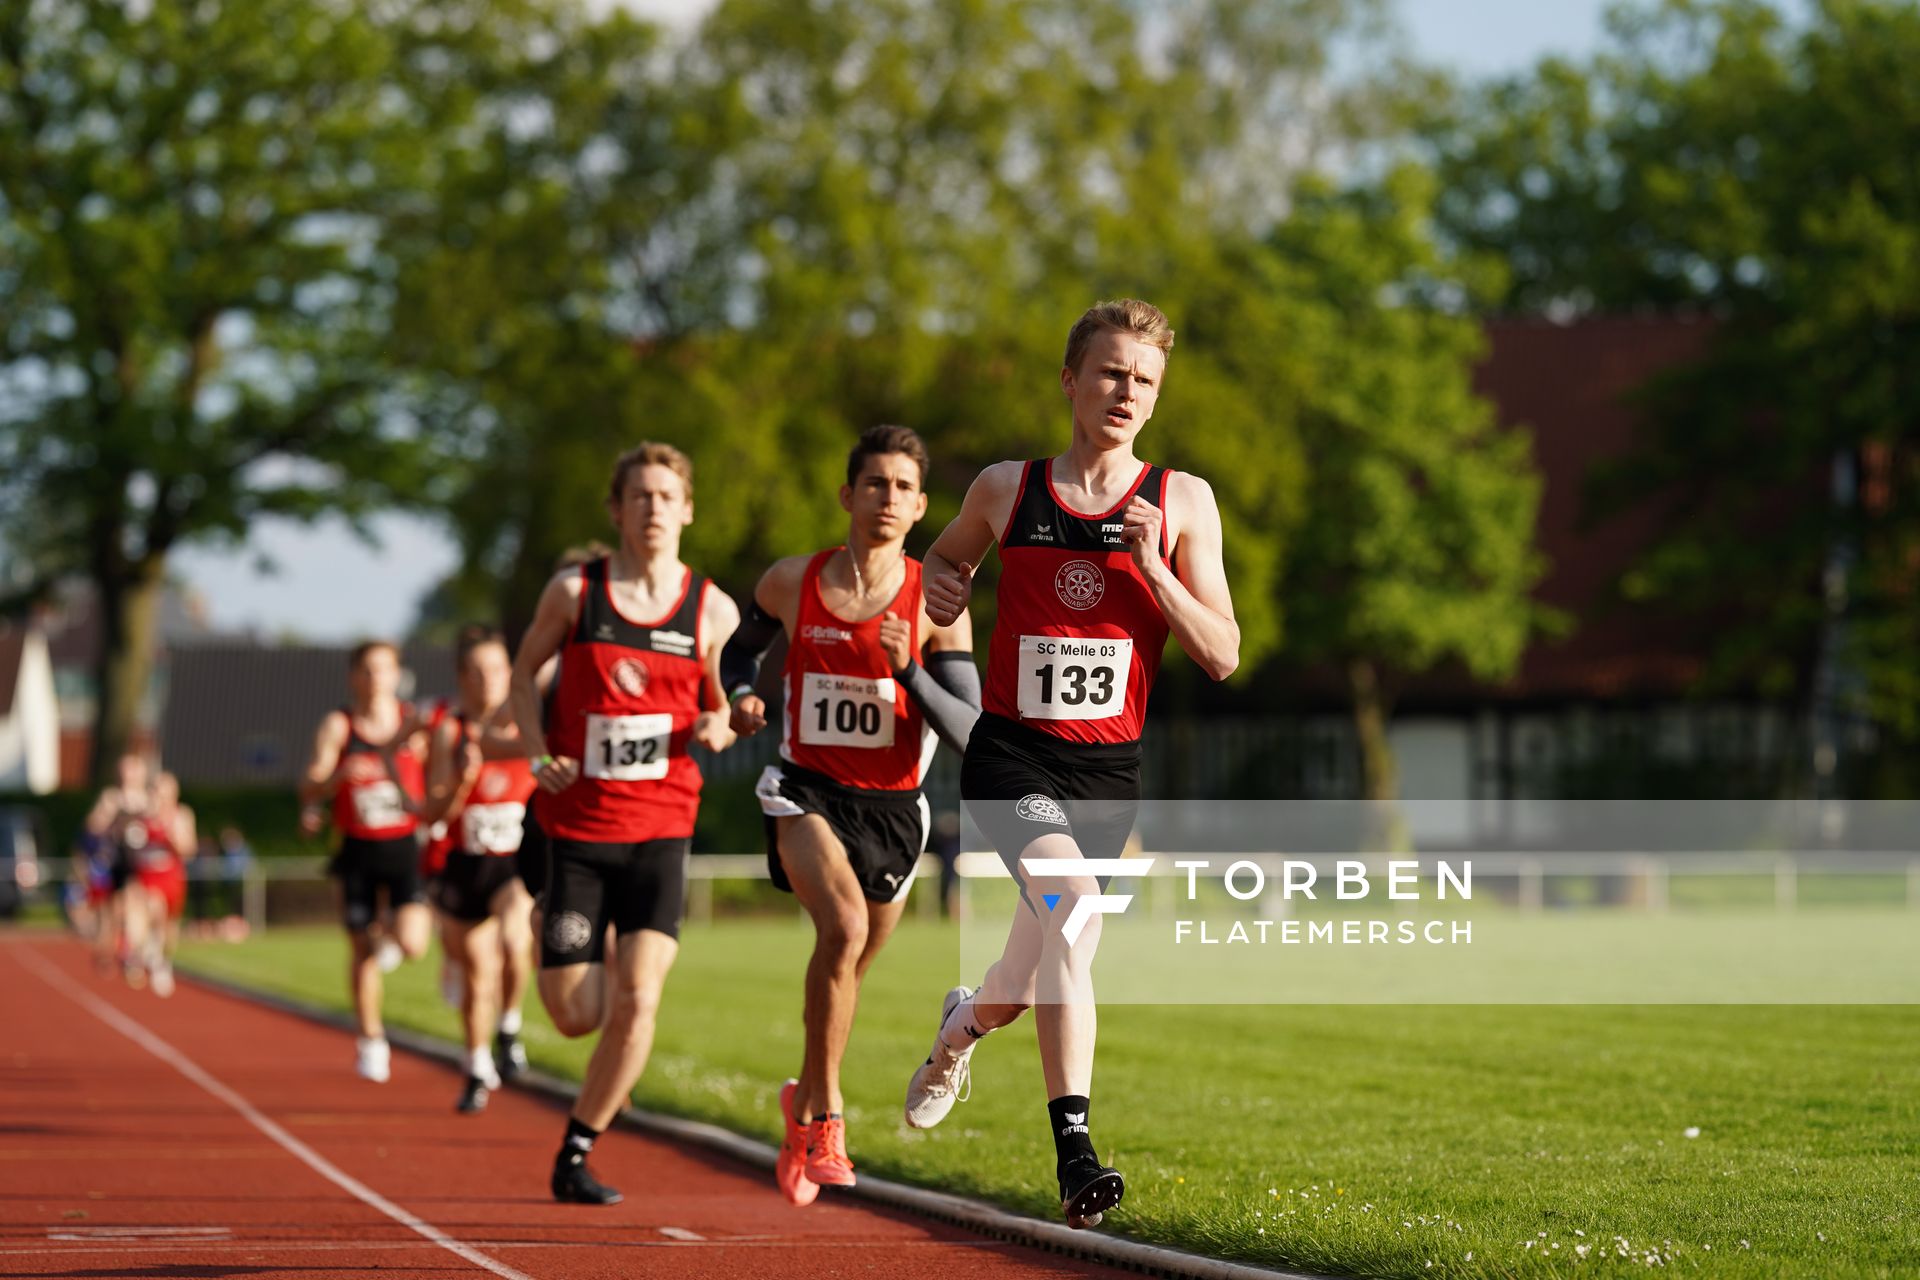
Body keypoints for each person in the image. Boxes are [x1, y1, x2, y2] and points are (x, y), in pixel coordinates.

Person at [899, 300, 1239, 1230]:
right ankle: (1075, 1151)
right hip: (1011, 758)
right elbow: (942, 571)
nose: (1127, 393)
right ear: (1071, 380)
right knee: (1072, 914)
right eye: (1111, 374)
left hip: (1107, 778)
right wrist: (941, 583)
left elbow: (1222, 653)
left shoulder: (1183, 503)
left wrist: (1157, 572)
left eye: (1145, 381)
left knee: (1038, 963)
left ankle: (959, 1032)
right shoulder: (1009, 489)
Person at [720, 425, 981, 1206]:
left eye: (904, 487)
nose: (888, 499)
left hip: (895, 810)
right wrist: (741, 696)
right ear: (848, 495)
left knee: (847, 970)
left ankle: (799, 1107)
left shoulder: (935, 605)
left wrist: (907, 669)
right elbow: (738, 651)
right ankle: (829, 1118)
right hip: (804, 790)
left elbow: (968, 726)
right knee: (842, 934)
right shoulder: (790, 581)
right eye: (875, 484)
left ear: (922, 505)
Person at [509, 443, 738, 1205]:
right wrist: (540, 756)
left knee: (640, 997)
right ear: (616, 510)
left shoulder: (711, 608)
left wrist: (721, 727)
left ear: (688, 509)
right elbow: (521, 675)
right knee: (576, 1015)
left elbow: (721, 708)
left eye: (666, 496)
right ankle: (571, 943)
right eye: (638, 497)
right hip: (576, 833)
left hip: (661, 830)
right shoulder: (576, 592)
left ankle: (576, 1151)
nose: (652, 509)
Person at [298, 641, 433, 1083]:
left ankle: (392, 939)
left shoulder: (412, 723)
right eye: (368, 671)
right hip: (356, 849)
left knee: (413, 944)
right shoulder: (339, 726)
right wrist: (337, 777)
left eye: (385, 670)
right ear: (354, 677)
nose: (376, 679)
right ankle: (371, 1039)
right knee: (361, 948)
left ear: (398, 675)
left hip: (403, 846)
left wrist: (436, 813)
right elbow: (311, 783)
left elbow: (436, 775)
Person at [424, 626, 538, 1114]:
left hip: (514, 861)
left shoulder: (526, 722)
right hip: (463, 863)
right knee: (477, 974)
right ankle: (475, 1066)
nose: (487, 680)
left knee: (515, 938)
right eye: (476, 671)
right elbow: (432, 812)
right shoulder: (450, 731)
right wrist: (460, 780)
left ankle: (508, 1028)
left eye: (496, 669)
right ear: (461, 677)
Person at [137, 771, 195, 996]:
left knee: (170, 927)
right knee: (154, 909)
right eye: (156, 790)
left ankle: (164, 960)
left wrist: (170, 833)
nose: (159, 796)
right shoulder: (143, 816)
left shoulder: (182, 815)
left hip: (173, 876)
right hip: (148, 877)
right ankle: (151, 948)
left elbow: (188, 850)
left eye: (164, 791)